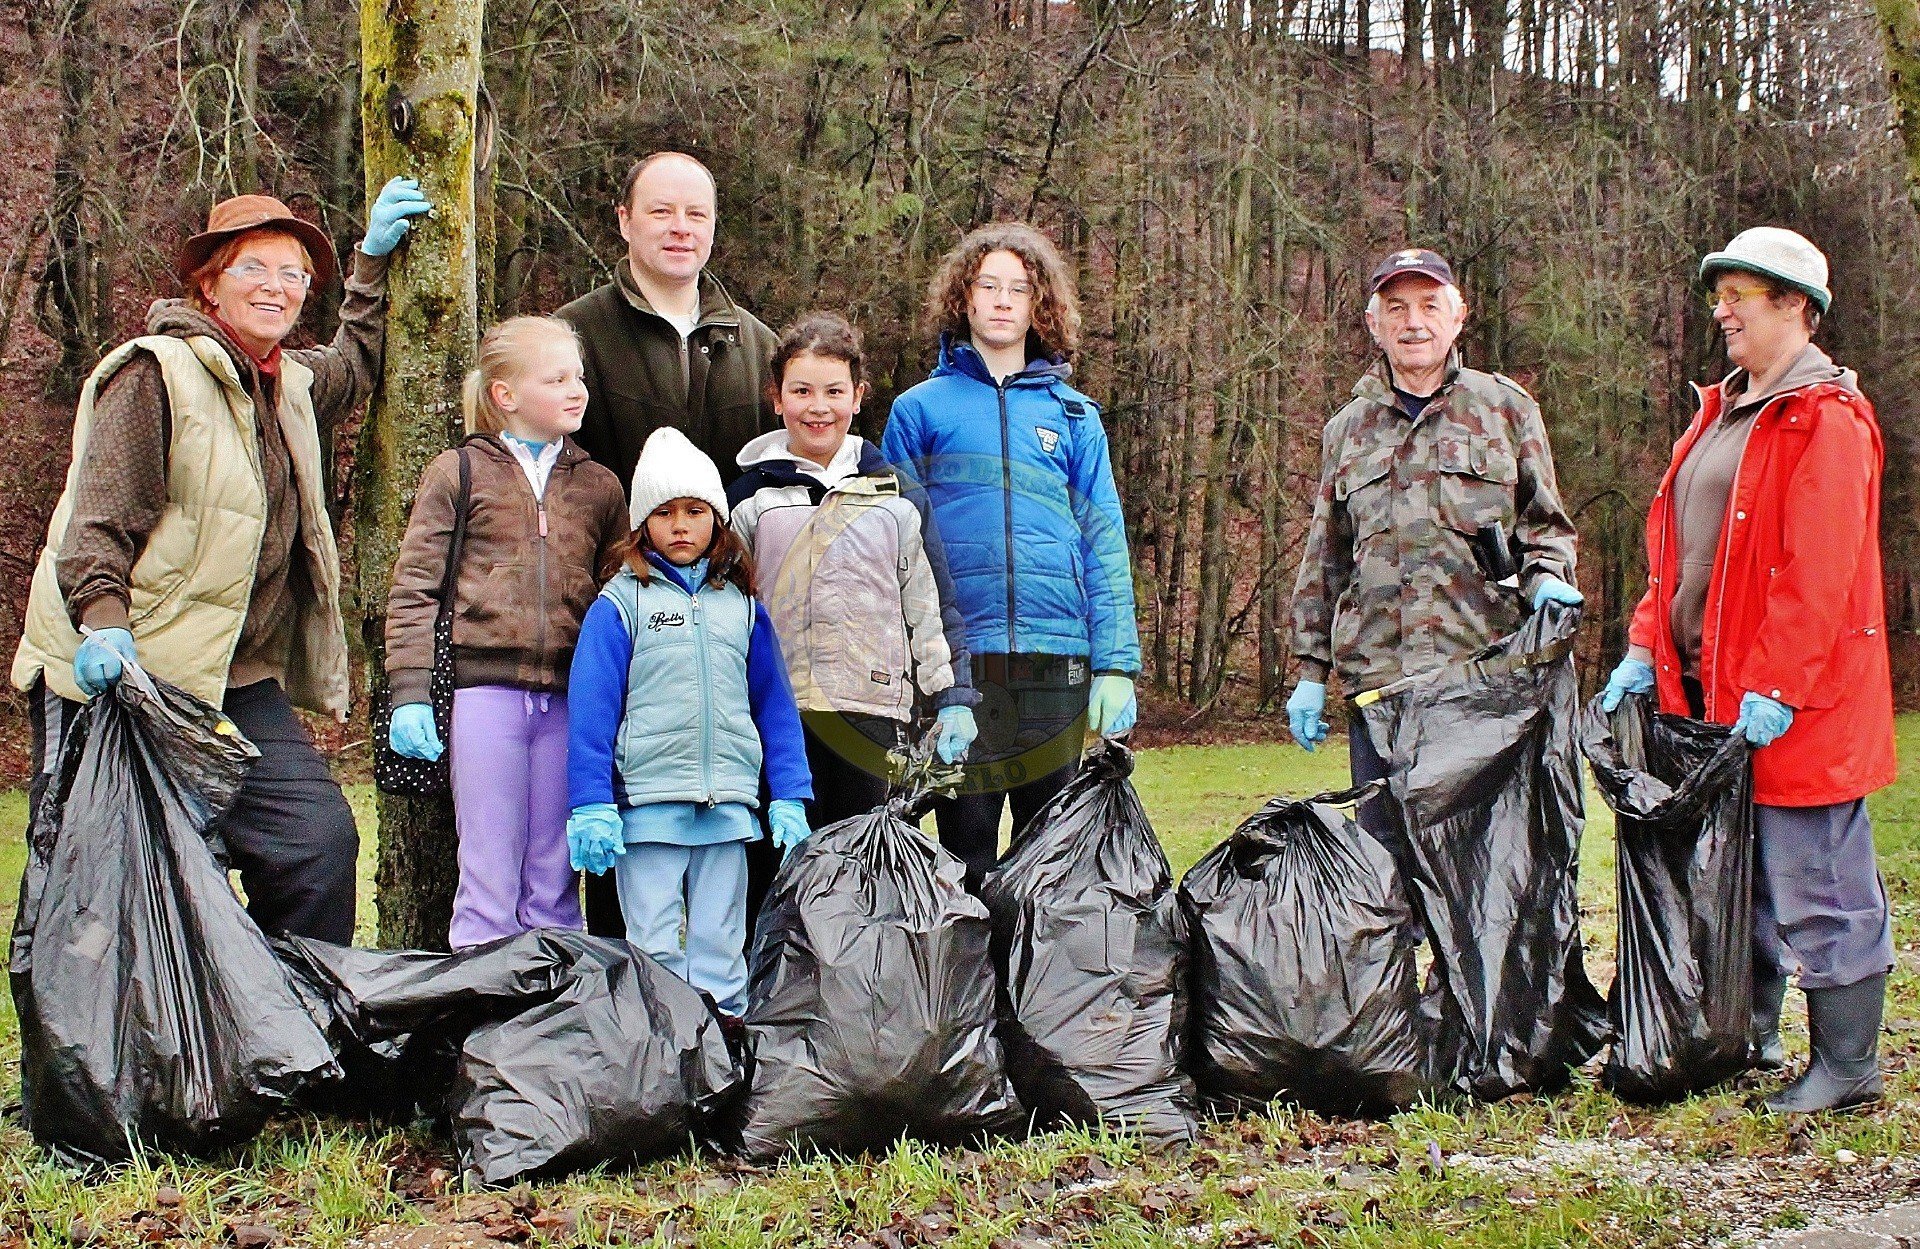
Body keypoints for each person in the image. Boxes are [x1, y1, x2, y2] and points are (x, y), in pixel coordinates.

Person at [11, 179, 431, 945]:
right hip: (125, 678)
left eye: (293, 274)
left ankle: (288, 1036)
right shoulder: (153, 373)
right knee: (104, 887)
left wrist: (370, 263)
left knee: (316, 844)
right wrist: (104, 625)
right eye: (254, 269)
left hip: (235, 681)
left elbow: (357, 361)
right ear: (209, 283)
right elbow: (97, 521)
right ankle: (95, 1065)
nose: (276, 288)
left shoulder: (291, 384)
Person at [1599, 227, 1897, 1114]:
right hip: (1711, 702)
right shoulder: (1720, 412)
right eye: (1719, 294)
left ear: (1797, 308)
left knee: (1820, 886)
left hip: (1799, 705)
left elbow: (1820, 572)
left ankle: (1848, 1065)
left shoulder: (1826, 420)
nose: (1721, 311)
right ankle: (1752, 1033)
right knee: (1742, 880)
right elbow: (1678, 557)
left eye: (1742, 295)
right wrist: (1646, 646)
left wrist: (1778, 687)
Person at [1283, 247, 1581, 867]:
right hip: (1381, 690)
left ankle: (1461, 972)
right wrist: (1310, 671)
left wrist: (1547, 579)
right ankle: (1391, 967)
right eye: (1396, 309)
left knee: (1478, 875)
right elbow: (1326, 555)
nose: (1413, 322)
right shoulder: (1348, 429)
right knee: (1385, 871)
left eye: (1428, 306)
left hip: (1479, 685)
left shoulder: (1505, 409)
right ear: (1374, 324)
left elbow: (1545, 525)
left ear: (1458, 317)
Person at [556, 150, 782, 935]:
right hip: (615, 621)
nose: (679, 228)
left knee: (732, 864)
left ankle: (730, 1017)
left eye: (696, 213)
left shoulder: (757, 345)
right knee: (626, 846)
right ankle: (628, 1019)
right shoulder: (576, 335)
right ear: (624, 220)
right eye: (661, 210)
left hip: (725, 625)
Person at [881, 223, 1141, 891]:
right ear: (962, 299)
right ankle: (970, 993)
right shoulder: (917, 411)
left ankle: (1037, 995)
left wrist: (1115, 662)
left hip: (1056, 665)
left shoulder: (1077, 417)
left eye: (1017, 289)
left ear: (1038, 304)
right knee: (963, 852)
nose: (1001, 300)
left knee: (1048, 860)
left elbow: (1103, 541)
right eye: (986, 286)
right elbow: (896, 546)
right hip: (960, 669)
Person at [385, 316, 628, 948]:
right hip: (482, 694)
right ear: (505, 395)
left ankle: (553, 1015)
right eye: (556, 379)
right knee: (489, 871)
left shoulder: (599, 487)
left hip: (570, 701)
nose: (576, 389)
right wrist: (410, 692)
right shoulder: (459, 472)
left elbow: (619, 600)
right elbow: (415, 586)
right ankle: (479, 1019)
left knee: (554, 876)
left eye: (578, 377)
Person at [564, 426, 813, 1018]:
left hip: (727, 808)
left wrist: (789, 795)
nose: (681, 526)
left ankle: (724, 1043)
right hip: (648, 810)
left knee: (722, 943)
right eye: (665, 512)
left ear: (717, 520)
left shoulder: (745, 608)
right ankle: (660, 1049)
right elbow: (591, 711)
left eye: (695, 511)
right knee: (650, 944)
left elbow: (774, 706)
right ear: (641, 524)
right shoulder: (619, 606)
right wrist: (591, 802)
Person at [729, 312, 980, 827]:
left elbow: (932, 607)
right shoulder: (747, 498)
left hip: (876, 717)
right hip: (777, 717)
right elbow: (726, 608)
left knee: (870, 880)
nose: (818, 407)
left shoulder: (897, 494)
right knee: (780, 877)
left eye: (833, 392)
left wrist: (952, 697)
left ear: (858, 396)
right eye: (801, 391)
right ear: (776, 397)